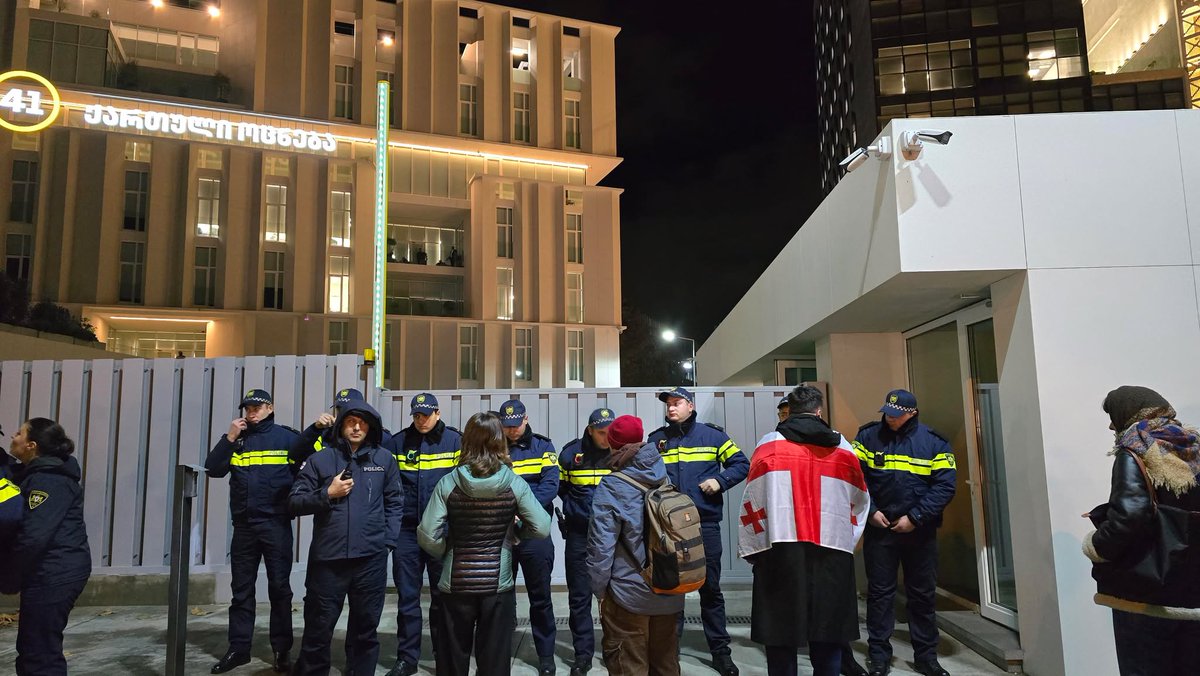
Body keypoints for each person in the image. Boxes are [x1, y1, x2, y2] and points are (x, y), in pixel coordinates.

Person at [739, 386, 869, 676]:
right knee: (829, 632)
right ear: (819, 411)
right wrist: (847, 540)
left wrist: (754, 549)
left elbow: (753, 499)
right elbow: (860, 499)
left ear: (789, 410)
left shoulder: (770, 445)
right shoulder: (844, 449)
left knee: (780, 632)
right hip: (831, 550)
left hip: (780, 550)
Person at [418, 411, 552, 676]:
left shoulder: (449, 482)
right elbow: (542, 527)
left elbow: (427, 535)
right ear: (499, 440)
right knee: (494, 662)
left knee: (452, 659)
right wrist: (515, 534)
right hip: (497, 586)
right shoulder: (514, 483)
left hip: (454, 585)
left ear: (466, 441)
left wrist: (448, 553)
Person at [1082, 385, 1200, 676]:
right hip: (1192, 588)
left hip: (1148, 590)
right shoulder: (1192, 444)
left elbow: (1130, 516)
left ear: (1128, 414)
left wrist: (1095, 547)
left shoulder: (1136, 449)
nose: (1111, 424)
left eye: (1113, 415)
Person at [289, 399, 403, 675]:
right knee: (319, 627)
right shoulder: (321, 459)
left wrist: (387, 541)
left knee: (365, 628)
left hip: (370, 560)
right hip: (329, 560)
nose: (356, 427)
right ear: (340, 426)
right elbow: (294, 502)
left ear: (371, 427)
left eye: (362, 422)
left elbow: (395, 501)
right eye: (350, 421)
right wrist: (328, 494)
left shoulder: (384, 460)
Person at [852, 389, 956, 676]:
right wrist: (871, 511)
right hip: (880, 530)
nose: (890, 419)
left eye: (896, 415)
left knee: (922, 595)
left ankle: (926, 657)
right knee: (880, 594)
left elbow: (945, 487)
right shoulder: (867, 437)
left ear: (913, 413)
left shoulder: (934, 443)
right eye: (887, 413)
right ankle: (879, 656)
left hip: (919, 533)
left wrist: (915, 517)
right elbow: (853, 477)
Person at [646, 386, 748, 676]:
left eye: (677, 403)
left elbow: (741, 464)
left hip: (704, 526)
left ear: (690, 405)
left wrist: (720, 480)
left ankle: (720, 652)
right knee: (669, 589)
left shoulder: (714, 436)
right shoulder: (656, 440)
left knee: (711, 589)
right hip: (668, 530)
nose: (671, 408)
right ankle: (669, 651)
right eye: (668, 404)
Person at [205, 388, 300, 674]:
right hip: (245, 526)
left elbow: (307, 473)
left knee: (280, 590)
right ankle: (239, 648)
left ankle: (282, 651)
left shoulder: (287, 438)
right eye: (247, 407)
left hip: (276, 524)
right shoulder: (237, 440)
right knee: (241, 591)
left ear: (270, 407)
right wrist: (229, 437)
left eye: (257, 407)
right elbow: (213, 469)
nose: (251, 411)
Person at [588, 414, 683, 675]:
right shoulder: (663, 475)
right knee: (666, 664)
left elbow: (601, 547)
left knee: (629, 664)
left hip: (628, 594)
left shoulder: (612, 485)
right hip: (669, 588)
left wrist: (599, 590)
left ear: (612, 443)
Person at [385, 393, 462, 676]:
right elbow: (389, 488)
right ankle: (407, 658)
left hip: (442, 531)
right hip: (407, 531)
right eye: (416, 415)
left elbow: (463, 484)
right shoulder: (397, 443)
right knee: (407, 598)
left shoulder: (455, 442)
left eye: (426, 415)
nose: (421, 420)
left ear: (438, 414)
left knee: (444, 597)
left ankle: (444, 656)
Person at [7, 418, 92, 675]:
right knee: (36, 648)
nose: (13, 435)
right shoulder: (36, 474)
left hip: (54, 573)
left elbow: (35, 536)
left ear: (32, 445)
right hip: (52, 571)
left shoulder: (48, 481)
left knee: (39, 653)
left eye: (20, 432)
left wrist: (10, 577)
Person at [499, 399, 559, 675]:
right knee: (500, 595)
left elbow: (550, 486)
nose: (512, 431)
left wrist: (522, 511)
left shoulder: (544, 447)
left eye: (516, 425)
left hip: (533, 532)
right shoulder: (494, 447)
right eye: (507, 426)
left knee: (540, 596)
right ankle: (499, 651)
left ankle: (546, 656)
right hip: (501, 532)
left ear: (525, 419)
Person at [558, 408, 616, 675]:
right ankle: (583, 655)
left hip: (615, 538)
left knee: (615, 597)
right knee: (579, 597)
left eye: (610, 431)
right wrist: (574, 509)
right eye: (601, 432)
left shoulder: (621, 453)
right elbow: (560, 488)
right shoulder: (571, 454)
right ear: (590, 430)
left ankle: (614, 650)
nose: (607, 437)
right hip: (579, 536)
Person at [294, 388, 393, 465]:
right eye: (339, 409)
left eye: (347, 408)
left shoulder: (373, 433)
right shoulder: (326, 433)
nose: (342, 413)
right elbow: (296, 454)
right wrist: (315, 428)